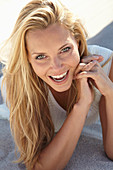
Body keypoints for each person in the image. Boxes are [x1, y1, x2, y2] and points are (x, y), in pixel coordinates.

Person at [0, 0, 113, 169]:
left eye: (65, 49)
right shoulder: (15, 85)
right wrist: (81, 105)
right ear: (28, 59)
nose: (57, 66)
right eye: (41, 57)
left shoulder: (105, 65)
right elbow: (41, 166)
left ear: (79, 43)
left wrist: (110, 93)